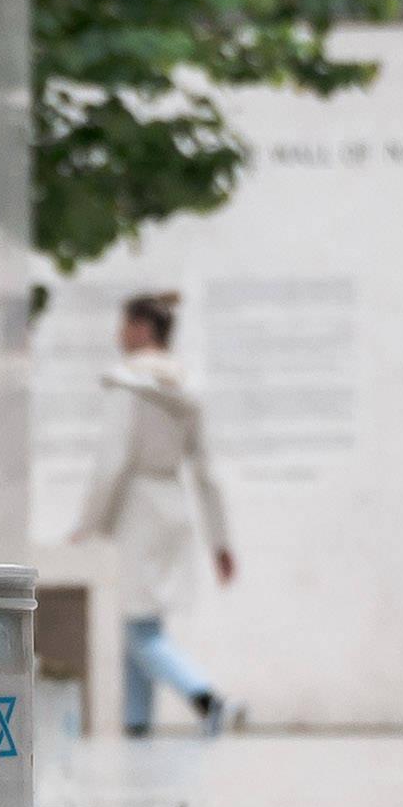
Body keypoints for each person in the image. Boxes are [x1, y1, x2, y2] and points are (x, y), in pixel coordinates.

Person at [77, 289, 241, 734]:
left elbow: (112, 461)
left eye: (124, 324)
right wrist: (220, 542)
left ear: (141, 328)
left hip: (138, 508)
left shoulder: (127, 385)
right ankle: (136, 722)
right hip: (173, 505)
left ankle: (207, 698)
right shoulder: (186, 389)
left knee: (137, 627)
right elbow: (207, 473)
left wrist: (87, 525)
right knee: (142, 617)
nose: (118, 334)